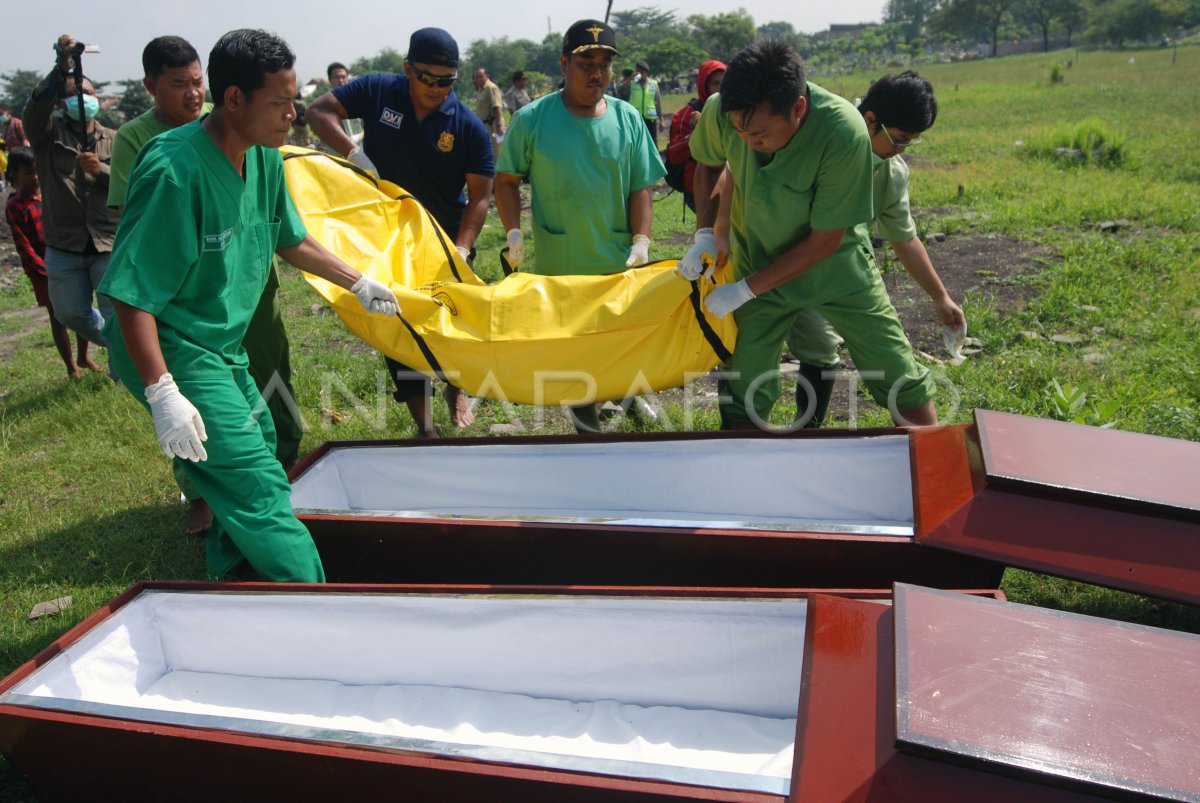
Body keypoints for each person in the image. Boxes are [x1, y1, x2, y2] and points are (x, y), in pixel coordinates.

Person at [98, 29, 400, 583]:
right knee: (256, 481)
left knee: (256, 448)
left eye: (295, 101)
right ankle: (319, 604)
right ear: (233, 99)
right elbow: (129, 292)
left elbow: (290, 237)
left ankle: (236, 582)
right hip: (172, 343)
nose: (293, 115)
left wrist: (358, 282)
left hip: (219, 341)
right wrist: (162, 390)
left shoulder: (264, 157)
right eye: (280, 103)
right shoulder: (174, 171)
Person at [680, 38, 937, 430]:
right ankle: (736, 474)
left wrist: (745, 290)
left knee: (896, 369)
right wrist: (705, 232)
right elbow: (709, 164)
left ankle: (934, 459)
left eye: (761, 133)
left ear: (798, 108)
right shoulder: (723, 111)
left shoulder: (841, 131)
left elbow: (825, 241)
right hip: (757, 262)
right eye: (740, 131)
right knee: (743, 385)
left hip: (837, 272)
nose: (749, 142)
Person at [308, 27, 492, 436]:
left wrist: (461, 249)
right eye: (426, 77)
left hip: (442, 244)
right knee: (399, 328)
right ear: (408, 68)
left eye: (445, 81)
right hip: (386, 243)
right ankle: (425, 426)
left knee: (453, 326)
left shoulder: (467, 127)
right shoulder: (378, 91)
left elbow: (480, 196)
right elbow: (318, 112)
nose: (435, 88)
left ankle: (456, 389)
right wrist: (353, 152)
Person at [495, 19, 666, 433]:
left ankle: (631, 394)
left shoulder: (626, 119)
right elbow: (507, 180)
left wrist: (642, 240)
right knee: (573, 346)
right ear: (564, 63)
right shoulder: (533, 119)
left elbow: (641, 187)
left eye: (605, 64)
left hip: (617, 256)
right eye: (586, 62)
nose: (597, 72)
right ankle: (585, 425)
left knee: (621, 338)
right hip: (562, 260)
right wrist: (514, 232)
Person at [785, 71, 965, 427]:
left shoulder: (889, 172)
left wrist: (940, 297)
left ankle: (807, 430)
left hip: (834, 269)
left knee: (821, 347)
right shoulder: (819, 134)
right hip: (773, 258)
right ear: (870, 120)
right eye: (898, 139)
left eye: (909, 143)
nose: (900, 151)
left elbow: (904, 237)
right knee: (748, 358)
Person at [23, 34, 123, 368]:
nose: (83, 99)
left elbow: (131, 181)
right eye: (73, 94)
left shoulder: (115, 139)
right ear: (60, 103)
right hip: (65, 244)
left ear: (98, 98)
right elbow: (34, 109)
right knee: (69, 312)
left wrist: (103, 171)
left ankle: (124, 368)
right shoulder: (46, 135)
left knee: (116, 309)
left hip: (108, 239)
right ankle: (125, 348)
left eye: (88, 93)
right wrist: (60, 67)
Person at [5, 146, 99, 378]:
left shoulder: (52, 194)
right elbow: (23, 245)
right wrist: (44, 268)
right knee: (58, 317)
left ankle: (84, 356)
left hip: (68, 257)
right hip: (42, 270)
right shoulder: (15, 206)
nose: (35, 177)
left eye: (37, 171)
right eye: (29, 172)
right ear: (15, 175)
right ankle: (71, 367)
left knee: (80, 308)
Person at [664, 59, 725, 215]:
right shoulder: (687, 114)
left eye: (724, 82)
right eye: (715, 84)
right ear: (704, 87)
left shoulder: (732, 109)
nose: (721, 89)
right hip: (698, 187)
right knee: (712, 232)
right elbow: (674, 155)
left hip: (728, 183)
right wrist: (697, 131)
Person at [325, 61, 362, 143]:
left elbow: (370, 127)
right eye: (336, 77)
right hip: (334, 153)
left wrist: (358, 136)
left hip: (358, 151)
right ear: (329, 80)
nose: (341, 80)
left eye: (343, 77)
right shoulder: (324, 104)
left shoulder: (358, 101)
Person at [629, 59, 662, 146]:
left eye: (642, 71)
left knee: (653, 142)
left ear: (646, 72)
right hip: (636, 117)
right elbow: (621, 92)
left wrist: (661, 118)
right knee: (637, 142)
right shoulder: (632, 83)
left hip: (650, 118)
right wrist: (629, 79)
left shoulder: (653, 84)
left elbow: (658, 101)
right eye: (638, 71)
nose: (640, 73)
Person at [472, 67, 505, 143]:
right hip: (484, 125)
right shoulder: (482, 89)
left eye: (481, 77)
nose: (478, 79)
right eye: (476, 77)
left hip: (493, 126)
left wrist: (499, 125)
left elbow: (497, 106)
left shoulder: (491, 87)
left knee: (496, 151)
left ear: (487, 76)